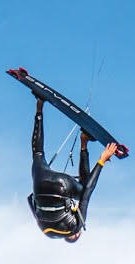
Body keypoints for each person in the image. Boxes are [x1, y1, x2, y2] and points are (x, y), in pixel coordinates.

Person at [28, 97, 119, 242]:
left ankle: (84, 142)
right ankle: (39, 106)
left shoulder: (75, 228)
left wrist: (102, 160)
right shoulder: (45, 232)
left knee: (83, 189)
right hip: (40, 181)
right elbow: (30, 199)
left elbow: (87, 193)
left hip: (63, 186)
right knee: (37, 153)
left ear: (75, 235)